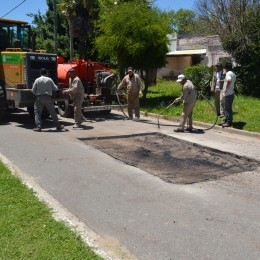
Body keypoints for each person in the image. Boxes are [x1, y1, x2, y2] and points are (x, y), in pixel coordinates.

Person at [222, 62, 236, 127]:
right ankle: (227, 119)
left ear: (226, 68)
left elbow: (229, 80)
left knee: (227, 108)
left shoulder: (228, 73)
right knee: (228, 108)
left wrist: (226, 89)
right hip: (231, 93)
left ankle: (228, 122)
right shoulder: (233, 73)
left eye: (224, 68)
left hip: (228, 93)